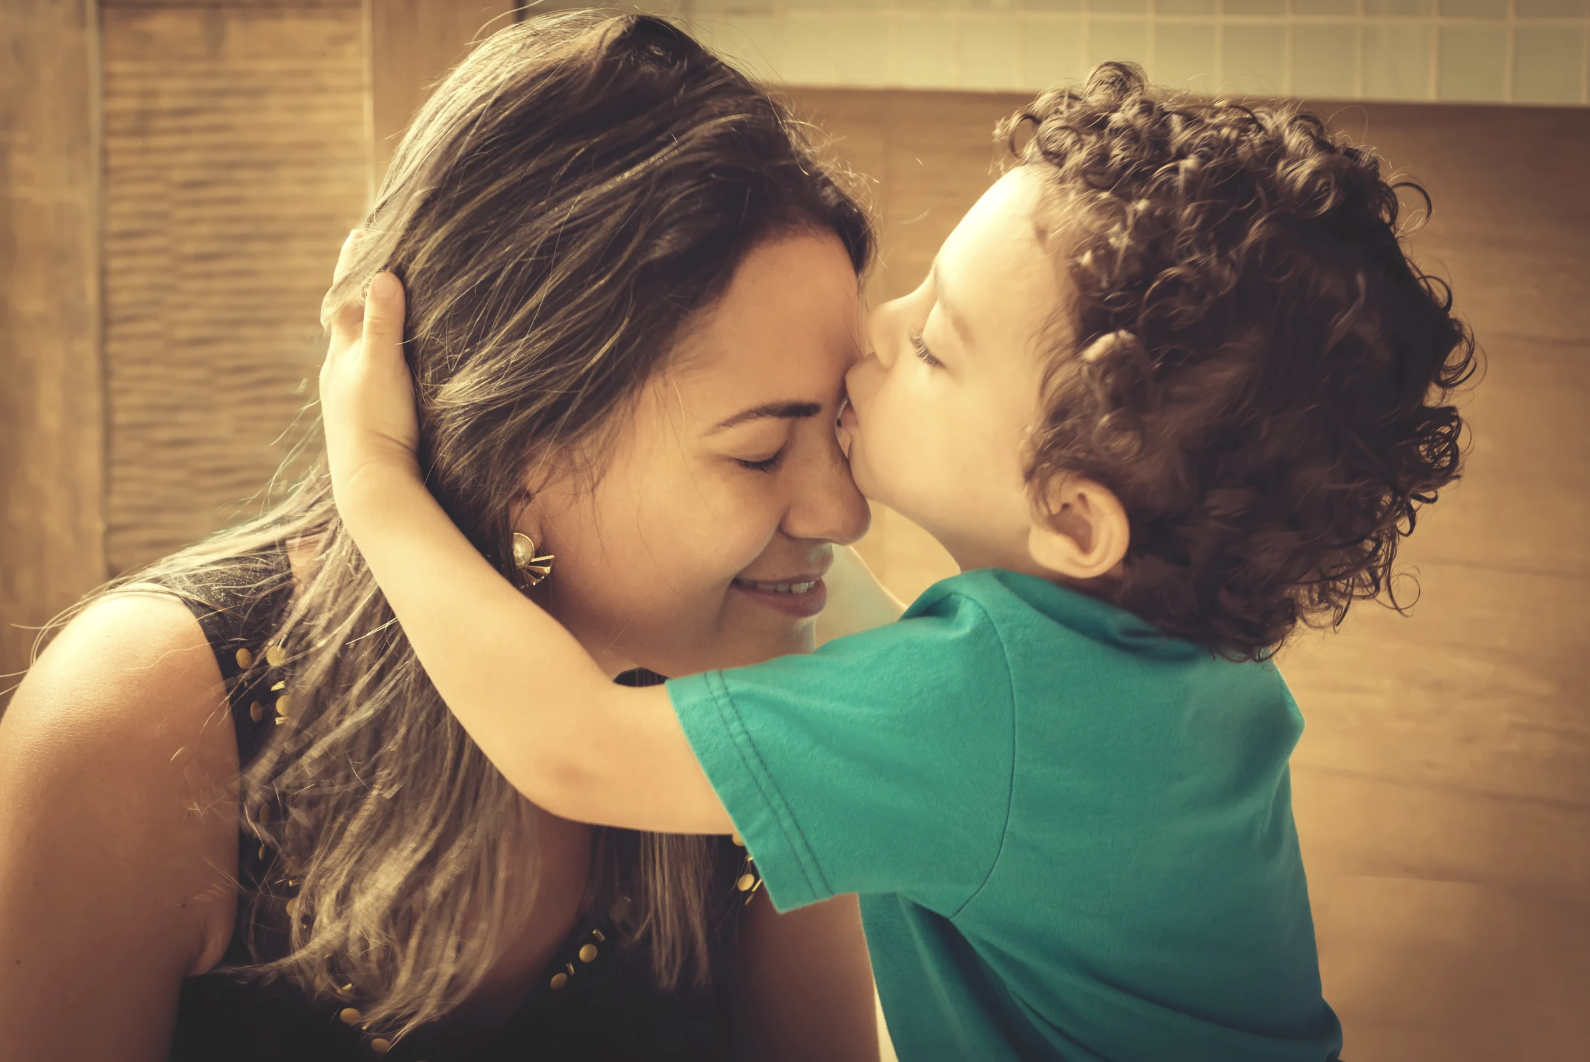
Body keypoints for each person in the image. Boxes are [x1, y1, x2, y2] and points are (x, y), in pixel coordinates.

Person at [320, 62, 1479, 1061]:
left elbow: (571, 751)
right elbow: (864, 632)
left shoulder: (988, 711)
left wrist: (377, 474)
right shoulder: (1185, 674)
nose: (875, 332)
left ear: (1072, 519)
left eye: (931, 344)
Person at [0, 13, 892, 1061]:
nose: (845, 514)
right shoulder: (145, 719)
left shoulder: (789, 696)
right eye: (757, 453)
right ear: (523, 452)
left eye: (841, 427)